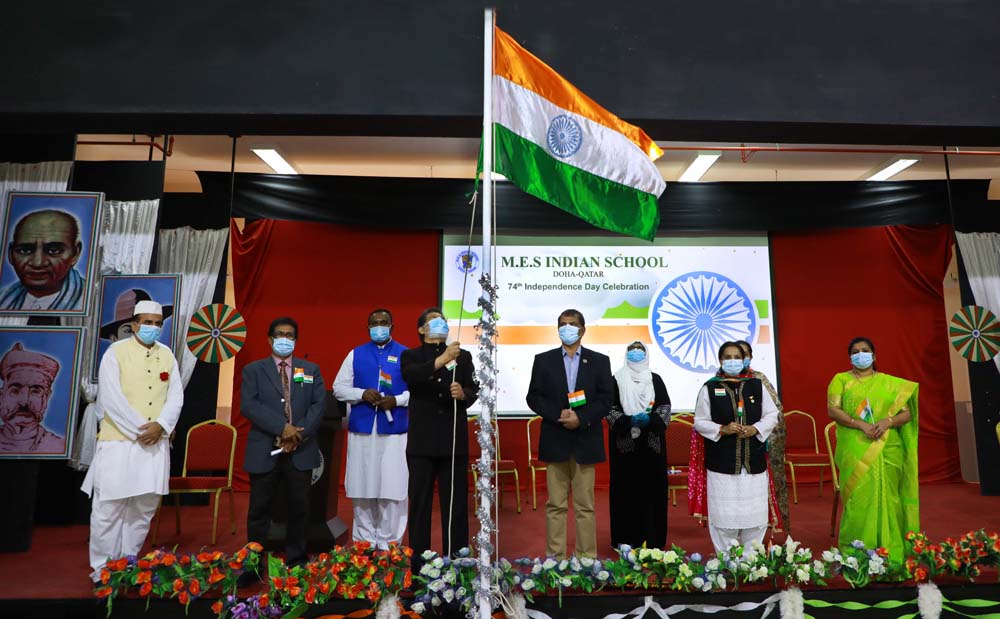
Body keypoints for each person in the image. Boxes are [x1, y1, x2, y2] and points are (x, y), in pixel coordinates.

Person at [82, 301, 183, 578]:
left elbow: (176, 396)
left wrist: (161, 426)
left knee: (144, 508)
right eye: (147, 322)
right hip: (119, 442)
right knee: (109, 507)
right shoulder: (115, 353)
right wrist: (144, 430)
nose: (152, 328)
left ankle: (128, 563)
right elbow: (111, 400)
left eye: (157, 323)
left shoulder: (167, 355)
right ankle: (102, 568)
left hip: (155, 446)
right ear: (135, 324)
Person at [526, 309, 613, 559]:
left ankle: (587, 559)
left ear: (582, 330)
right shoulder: (543, 360)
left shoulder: (599, 361)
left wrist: (581, 418)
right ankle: (556, 558)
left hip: (586, 439)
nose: (567, 328)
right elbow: (534, 397)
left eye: (572, 324)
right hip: (556, 438)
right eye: (563, 324)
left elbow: (606, 400)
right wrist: (559, 415)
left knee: (585, 506)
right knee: (556, 505)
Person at [241, 317, 326, 571]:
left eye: (290, 335)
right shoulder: (254, 370)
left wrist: (297, 433)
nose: (285, 339)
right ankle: (254, 564)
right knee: (259, 509)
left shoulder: (310, 369)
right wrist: (282, 428)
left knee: (299, 508)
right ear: (269, 339)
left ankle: (296, 560)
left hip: (301, 449)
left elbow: (318, 405)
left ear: (296, 340)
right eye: (280, 335)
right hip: (264, 448)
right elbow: (249, 405)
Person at [827, 337, 918, 564]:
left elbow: (906, 414)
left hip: (889, 447)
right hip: (855, 447)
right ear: (850, 357)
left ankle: (890, 549)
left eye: (865, 350)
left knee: (891, 498)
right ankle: (857, 551)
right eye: (855, 351)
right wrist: (861, 424)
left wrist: (887, 422)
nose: (861, 354)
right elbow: (833, 410)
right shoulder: (841, 380)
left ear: (874, 356)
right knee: (858, 499)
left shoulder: (890, 383)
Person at [401, 307, 478, 562]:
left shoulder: (463, 356)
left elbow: (472, 387)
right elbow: (412, 378)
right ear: (422, 329)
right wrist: (443, 358)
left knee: (455, 505)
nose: (440, 324)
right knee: (420, 505)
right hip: (422, 442)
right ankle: (420, 564)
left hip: (452, 441)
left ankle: (457, 561)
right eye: (433, 321)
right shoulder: (410, 356)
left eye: (443, 320)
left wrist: (463, 394)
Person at [692, 341, 780, 555]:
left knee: (755, 517)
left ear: (744, 360)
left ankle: (751, 563)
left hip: (753, 463)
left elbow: (772, 415)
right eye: (728, 357)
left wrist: (755, 429)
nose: (733, 361)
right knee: (723, 518)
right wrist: (722, 429)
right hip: (722, 464)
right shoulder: (710, 387)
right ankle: (728, 561)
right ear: (720, 361)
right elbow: (700, 421)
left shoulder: (756, 386)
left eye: (737, 357)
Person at [333, 308, 410, 549]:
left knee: (392, 488)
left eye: (384, 322)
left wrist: (395, 400)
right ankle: (364, 544)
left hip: (394, 431)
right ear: (368, 327)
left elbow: (416, 391)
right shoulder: (355, 354)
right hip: (362, 431)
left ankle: (390, 545)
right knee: (362, 486)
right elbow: (338, 388)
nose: (379, 326)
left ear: (392, 326)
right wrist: (361, 394)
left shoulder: (406, 355)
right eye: (375, 323)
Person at [607, 341, 671, 549]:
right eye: (632, 350)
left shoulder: (656, 379)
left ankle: (653, 541)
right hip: (624, 447)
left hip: (652, 447)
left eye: (639, 349)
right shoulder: (616, 379)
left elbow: (664, 408)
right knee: (625, 493)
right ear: (626, 354)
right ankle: (625, 540)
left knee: (653, 494)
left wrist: (650, 420)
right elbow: (609, 409)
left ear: (646, 354)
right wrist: (629, 421)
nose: (636, 353)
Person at [736, 340, 789, 531]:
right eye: (735, 354)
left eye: (744, 354)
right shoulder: (719, 381)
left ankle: (775, 531)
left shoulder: (759, 378)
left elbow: (776, 412)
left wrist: (758, 431)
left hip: (759, 441)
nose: (740, 358)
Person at [0, 209, 85, 311]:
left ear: (75, 253)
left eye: (54, 251)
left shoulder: (93, 298)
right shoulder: (3, 297)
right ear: (10, 254)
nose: (37, 263)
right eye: (25, 250)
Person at [0, 342, 64, 454]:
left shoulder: (58, 446)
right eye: (15, 391)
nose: (24, 402)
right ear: (2, 396)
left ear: (47, 398)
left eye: (35, 391)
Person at [99, 289, 174, 343]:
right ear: (114, 338)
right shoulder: (110, 360)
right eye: (129, 331)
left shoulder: (165, 358)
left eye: (146, 328)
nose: (139, 335)